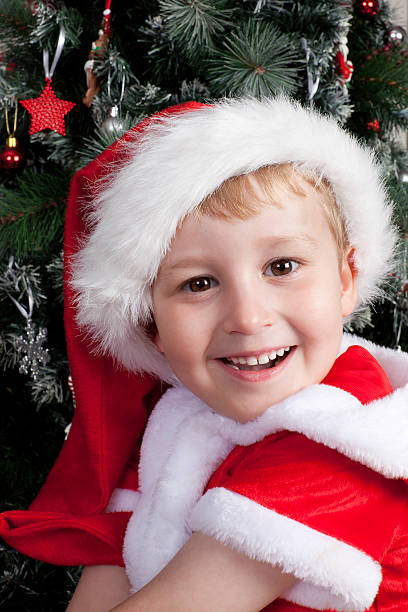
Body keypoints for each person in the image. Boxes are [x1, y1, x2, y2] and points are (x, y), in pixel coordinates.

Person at [2, 97, 408, 611]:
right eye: (199, 283)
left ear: (346, 279)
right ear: (153, 328)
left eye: (282, 266)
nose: (247, 317)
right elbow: (104, 587)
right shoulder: (179, 417)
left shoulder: (349, 445)